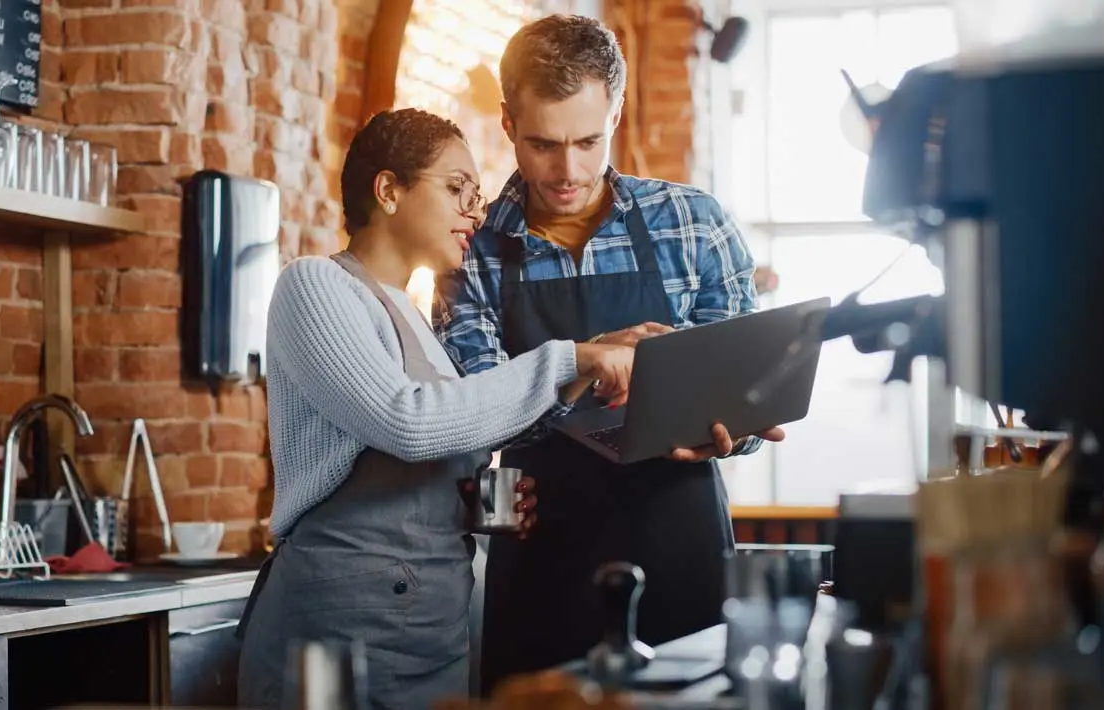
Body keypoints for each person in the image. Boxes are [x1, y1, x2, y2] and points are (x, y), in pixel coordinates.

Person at [235, 108, 637, 710]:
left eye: (476, 195)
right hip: (340, 632)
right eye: (457, 189)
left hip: (430, 634)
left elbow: (423, 446)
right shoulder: (314, 285)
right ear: (389, 190)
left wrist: (472, 504)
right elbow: (408, 421)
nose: (476, 212)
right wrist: (569, 359)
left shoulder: (416, 319)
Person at [433, 14, 787, 694]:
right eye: (543, 144)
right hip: (544, 556)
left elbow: (745, 393)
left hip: (680, 539)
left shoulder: (694, 223)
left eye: (588, 141)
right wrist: (587, 362)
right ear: (508, 123)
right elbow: (473, 413)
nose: (567, 170)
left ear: (616, 115)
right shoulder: (470, 251)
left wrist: (732, 428)